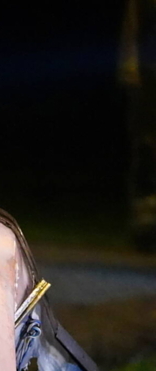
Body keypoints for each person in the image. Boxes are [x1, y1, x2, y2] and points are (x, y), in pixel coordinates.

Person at [121, 0, 156, 250]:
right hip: (149, 73)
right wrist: (130, 65)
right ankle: (144, 231)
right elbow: (133, 26)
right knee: (146, 148)